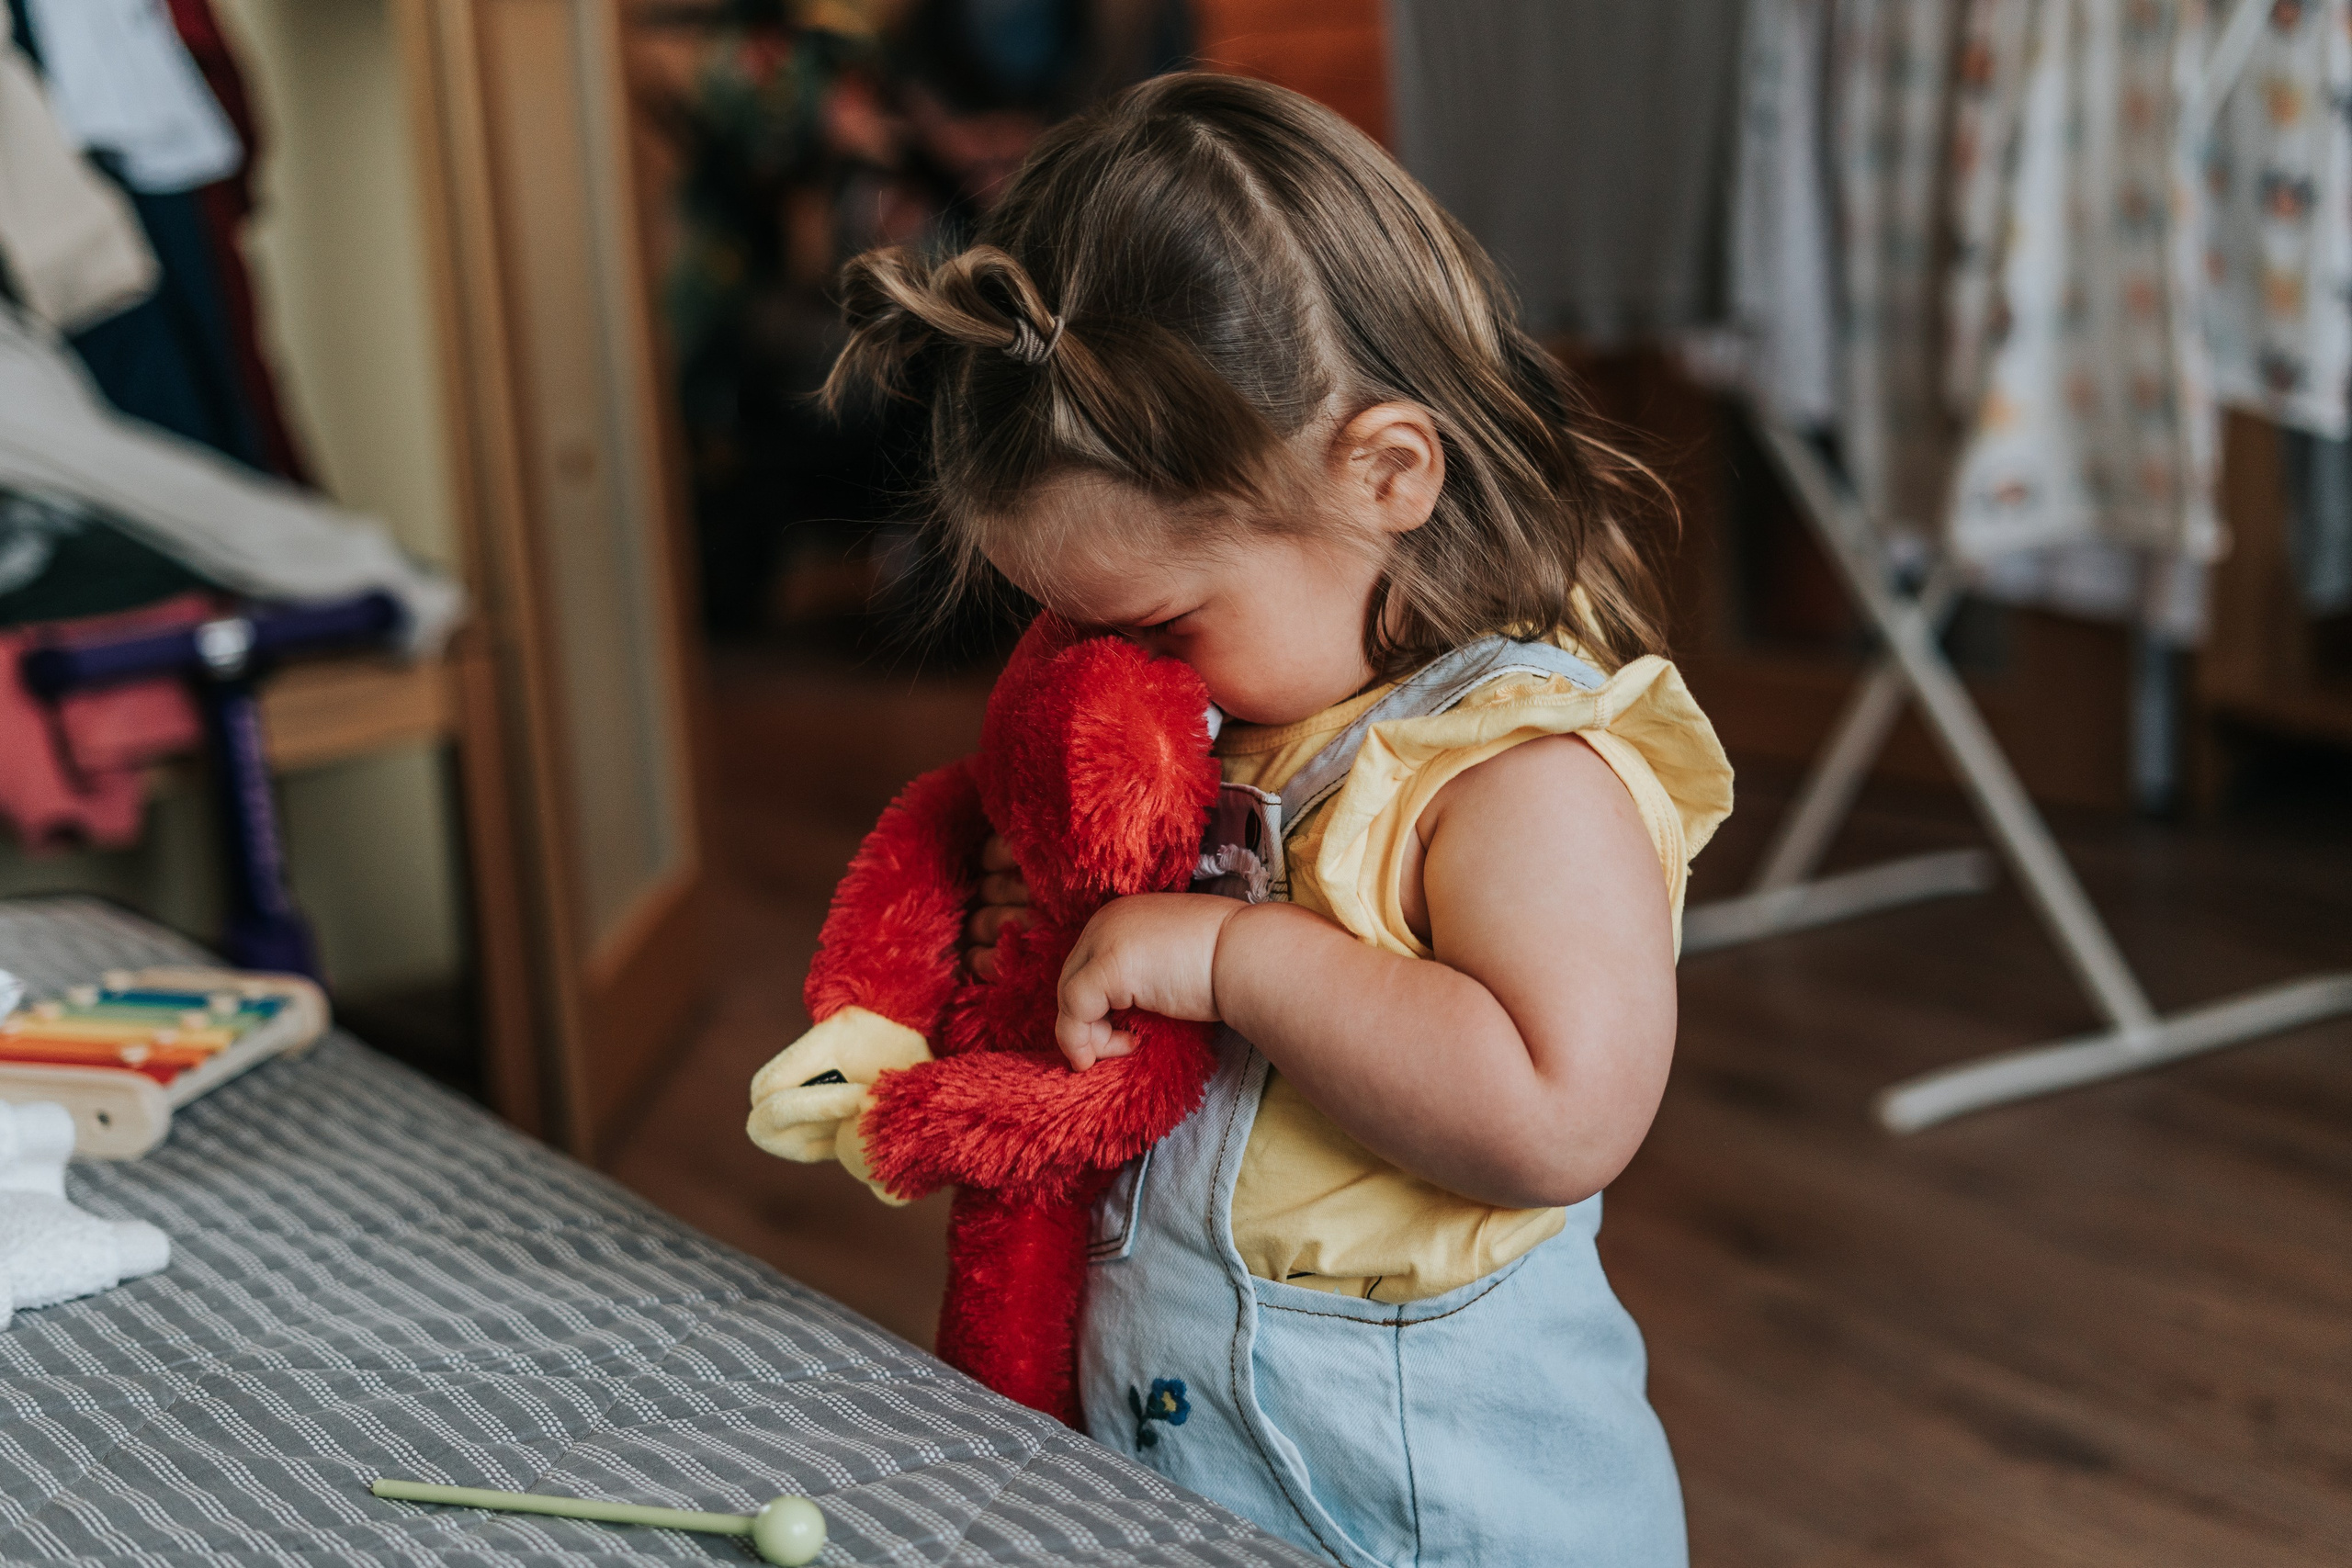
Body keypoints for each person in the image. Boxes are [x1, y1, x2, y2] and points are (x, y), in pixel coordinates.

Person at [816, 73, 1731, 1568]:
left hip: (1430, 1512)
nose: (1118, 673)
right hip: (1180, 1460)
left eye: (1163, 625)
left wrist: (1234, 961)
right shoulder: (1227, 721)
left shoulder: (1514, 769)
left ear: (1385, 475)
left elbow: (1562, 1112)